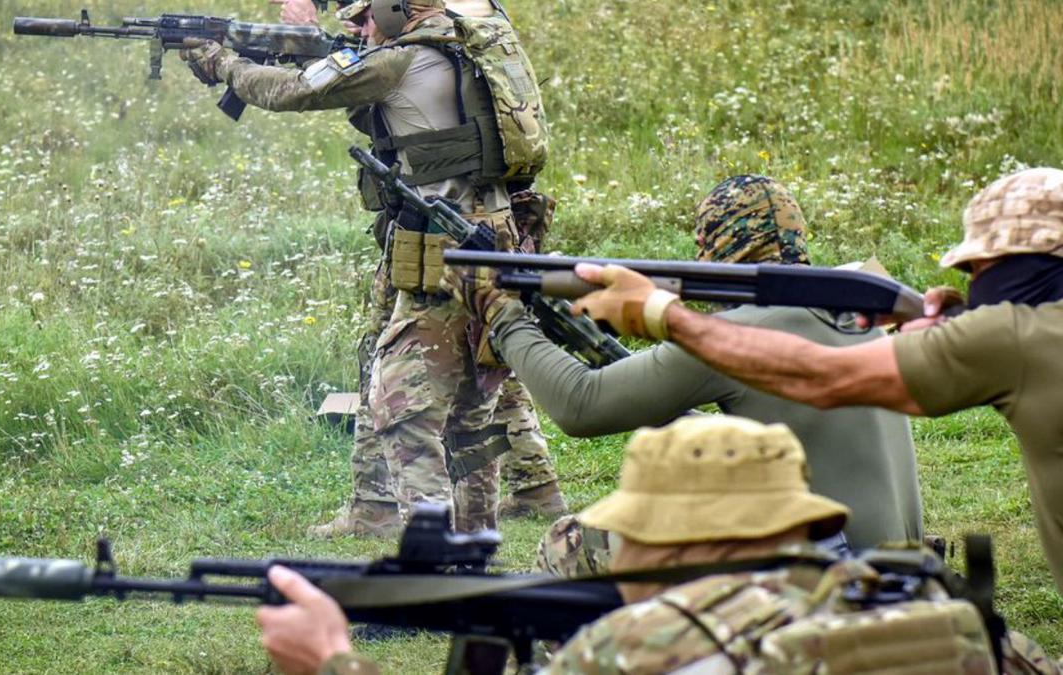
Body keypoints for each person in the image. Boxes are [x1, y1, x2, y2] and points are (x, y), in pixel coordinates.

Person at [567, 167, 1063, 595]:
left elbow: (823, 378)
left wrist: (663, 315)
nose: (973, 284)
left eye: (980, 268)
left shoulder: (1018, 336)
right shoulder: (1024, 335)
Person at [253, 415, 1060, 674]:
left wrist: (333, 658)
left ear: (680, 545)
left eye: (632, 533)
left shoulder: (640, 646)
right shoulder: (921, 602)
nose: (620, 551)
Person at [181, 0, 550, 532]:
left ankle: (436, 555)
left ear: (399, 11)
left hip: (443, 249)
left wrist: (223, 64)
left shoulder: (401, 60)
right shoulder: (466, 48)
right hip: (493, 235)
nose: (363, 26)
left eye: (369, 15)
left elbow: (294, 92)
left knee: (401, 404)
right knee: (472, 407)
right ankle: (471, 546)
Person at [444, 174, 924, 551]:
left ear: (716, 249)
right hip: (901, 570)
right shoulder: (858, 310)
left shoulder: (743, 330)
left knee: (570, 545)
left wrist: (502, 316)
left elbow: (580, 405)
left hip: (827, 581)